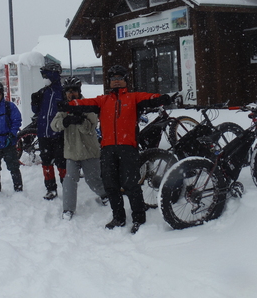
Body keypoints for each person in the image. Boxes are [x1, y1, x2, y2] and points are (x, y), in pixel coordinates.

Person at [63, 65, 170, 234]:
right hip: (107, 149)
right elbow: (85, 103)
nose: (116, 81)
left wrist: (163, 98)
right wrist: (69, 105)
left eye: (120, 78)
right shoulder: (103, 101)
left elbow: (151, 98)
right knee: (111, 185)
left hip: (128, 148)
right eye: (113, 79)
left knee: (131, 185)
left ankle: (138, 218)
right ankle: (118, 217)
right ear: (109, 82)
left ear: (125, 80)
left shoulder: (134, 98)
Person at [51, 76, 108, 220]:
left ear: (79, 91)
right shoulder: (65, 107)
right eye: (68, 91)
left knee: (93, 179)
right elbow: (54, 125)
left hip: (89, 151)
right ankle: (68, 209)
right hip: (72, 152)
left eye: (74, 91)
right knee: (69, 180)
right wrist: (66, 121)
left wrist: (80, 120)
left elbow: (90, 128)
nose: (71, 94)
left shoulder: (87, 105)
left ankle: (105, 195)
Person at [31, 62, 66, 200]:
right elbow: (36, 111)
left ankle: (66, 187)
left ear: (53, 75)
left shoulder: (62, 92)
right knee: (46, 162)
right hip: (43, 133)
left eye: (46, 75)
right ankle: (50, 188)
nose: (44, 78)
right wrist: (34, 101)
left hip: (58, 134)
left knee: (61, 162)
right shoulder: (43, 92)